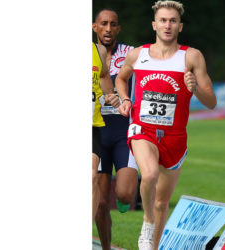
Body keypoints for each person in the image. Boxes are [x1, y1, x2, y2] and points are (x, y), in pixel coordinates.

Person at [115, 1, 217, 249]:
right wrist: (125, 99)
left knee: (162, 203)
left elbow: (211, 101)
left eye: (172, 21)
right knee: (148, 174)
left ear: (180, 26)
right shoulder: (138, 54)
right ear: (154, 24)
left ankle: (154, 243)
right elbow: (121, 77)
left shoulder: (191, 56)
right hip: (142, 128)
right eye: (163, 20)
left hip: (174, 137)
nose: (167, 25)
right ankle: (147, 223)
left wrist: (195, 89)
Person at [92, 8, 139, 250]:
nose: (108, 29)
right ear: (94, 27)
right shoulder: (88, 55)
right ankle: (107, 247)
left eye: (113, 24)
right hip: (98, 131)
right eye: (103, 24)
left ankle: (123, 199)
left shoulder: (131, 53)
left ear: (118, 28)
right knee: (99, 203)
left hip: (124, 131)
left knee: (124, 194)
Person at [92, 41, 120, 220]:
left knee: (91, 176)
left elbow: (103, 76)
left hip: (92, 126)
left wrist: (110, 95)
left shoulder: (97, 50)